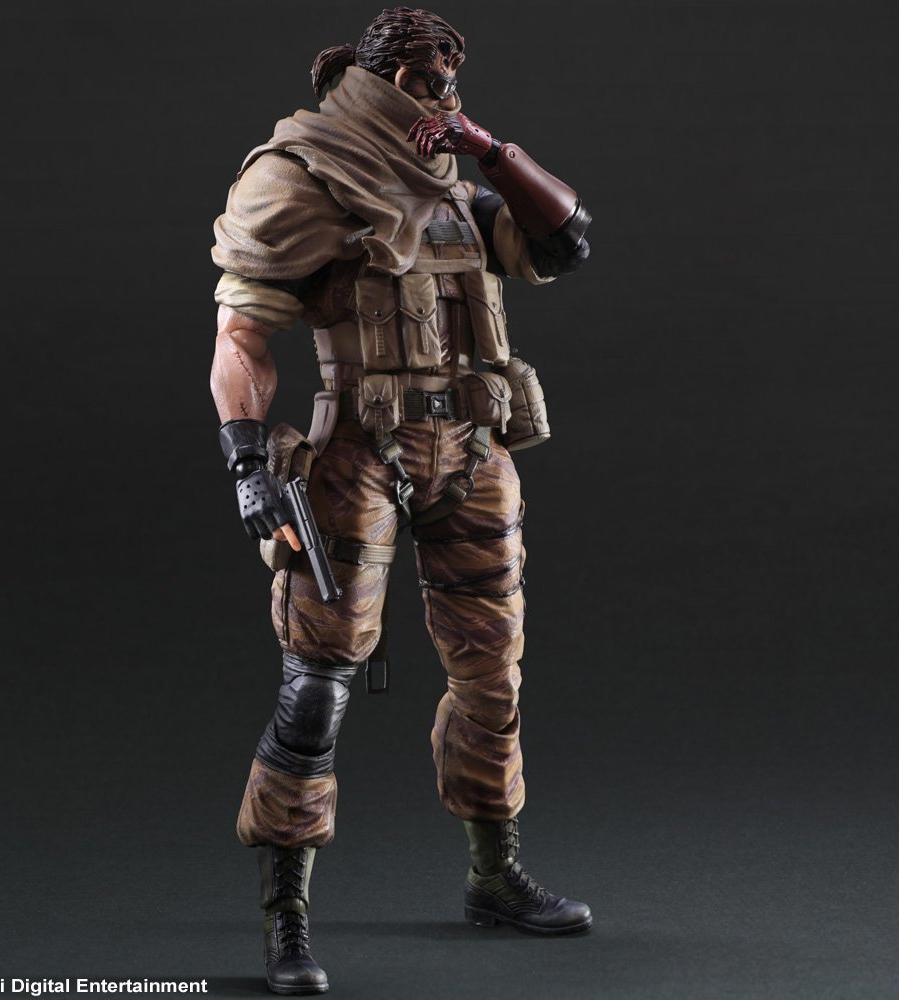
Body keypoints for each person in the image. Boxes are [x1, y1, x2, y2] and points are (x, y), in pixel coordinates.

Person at [210, 8, 593, 994]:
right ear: (384, 78)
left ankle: (493, 875)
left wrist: (491, 150)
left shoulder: (455, 182)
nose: (443, 85)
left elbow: (565, 240)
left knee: (492, 671)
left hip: (471, 448)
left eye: (450, 67)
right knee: (317, 687)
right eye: (426, 71)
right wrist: (248, 461)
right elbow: (241, 337)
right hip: (358, 456)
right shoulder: (303, 172)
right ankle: (285, 914)